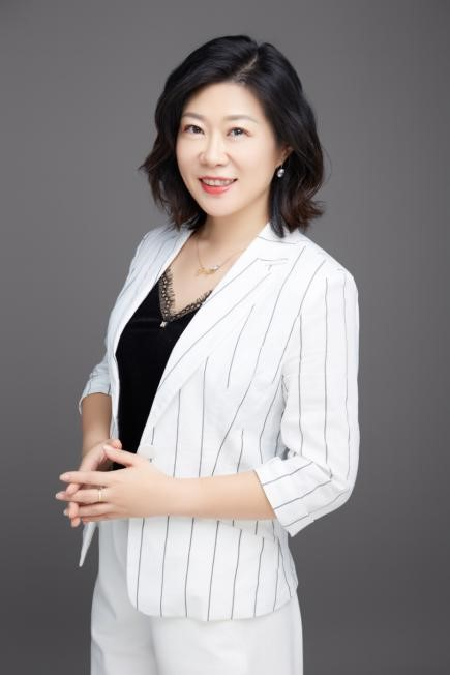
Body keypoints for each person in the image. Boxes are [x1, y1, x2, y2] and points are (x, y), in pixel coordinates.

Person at [56, 34, 360, 675]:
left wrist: (165, 496)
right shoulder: (154, 249)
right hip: (121, 577)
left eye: (238, 132)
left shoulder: (315, 283)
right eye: (194, 129)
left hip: (224, 602)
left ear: (284, 147)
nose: (211, 154)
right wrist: (95, 442)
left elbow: (324, 472)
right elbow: (113, 370)